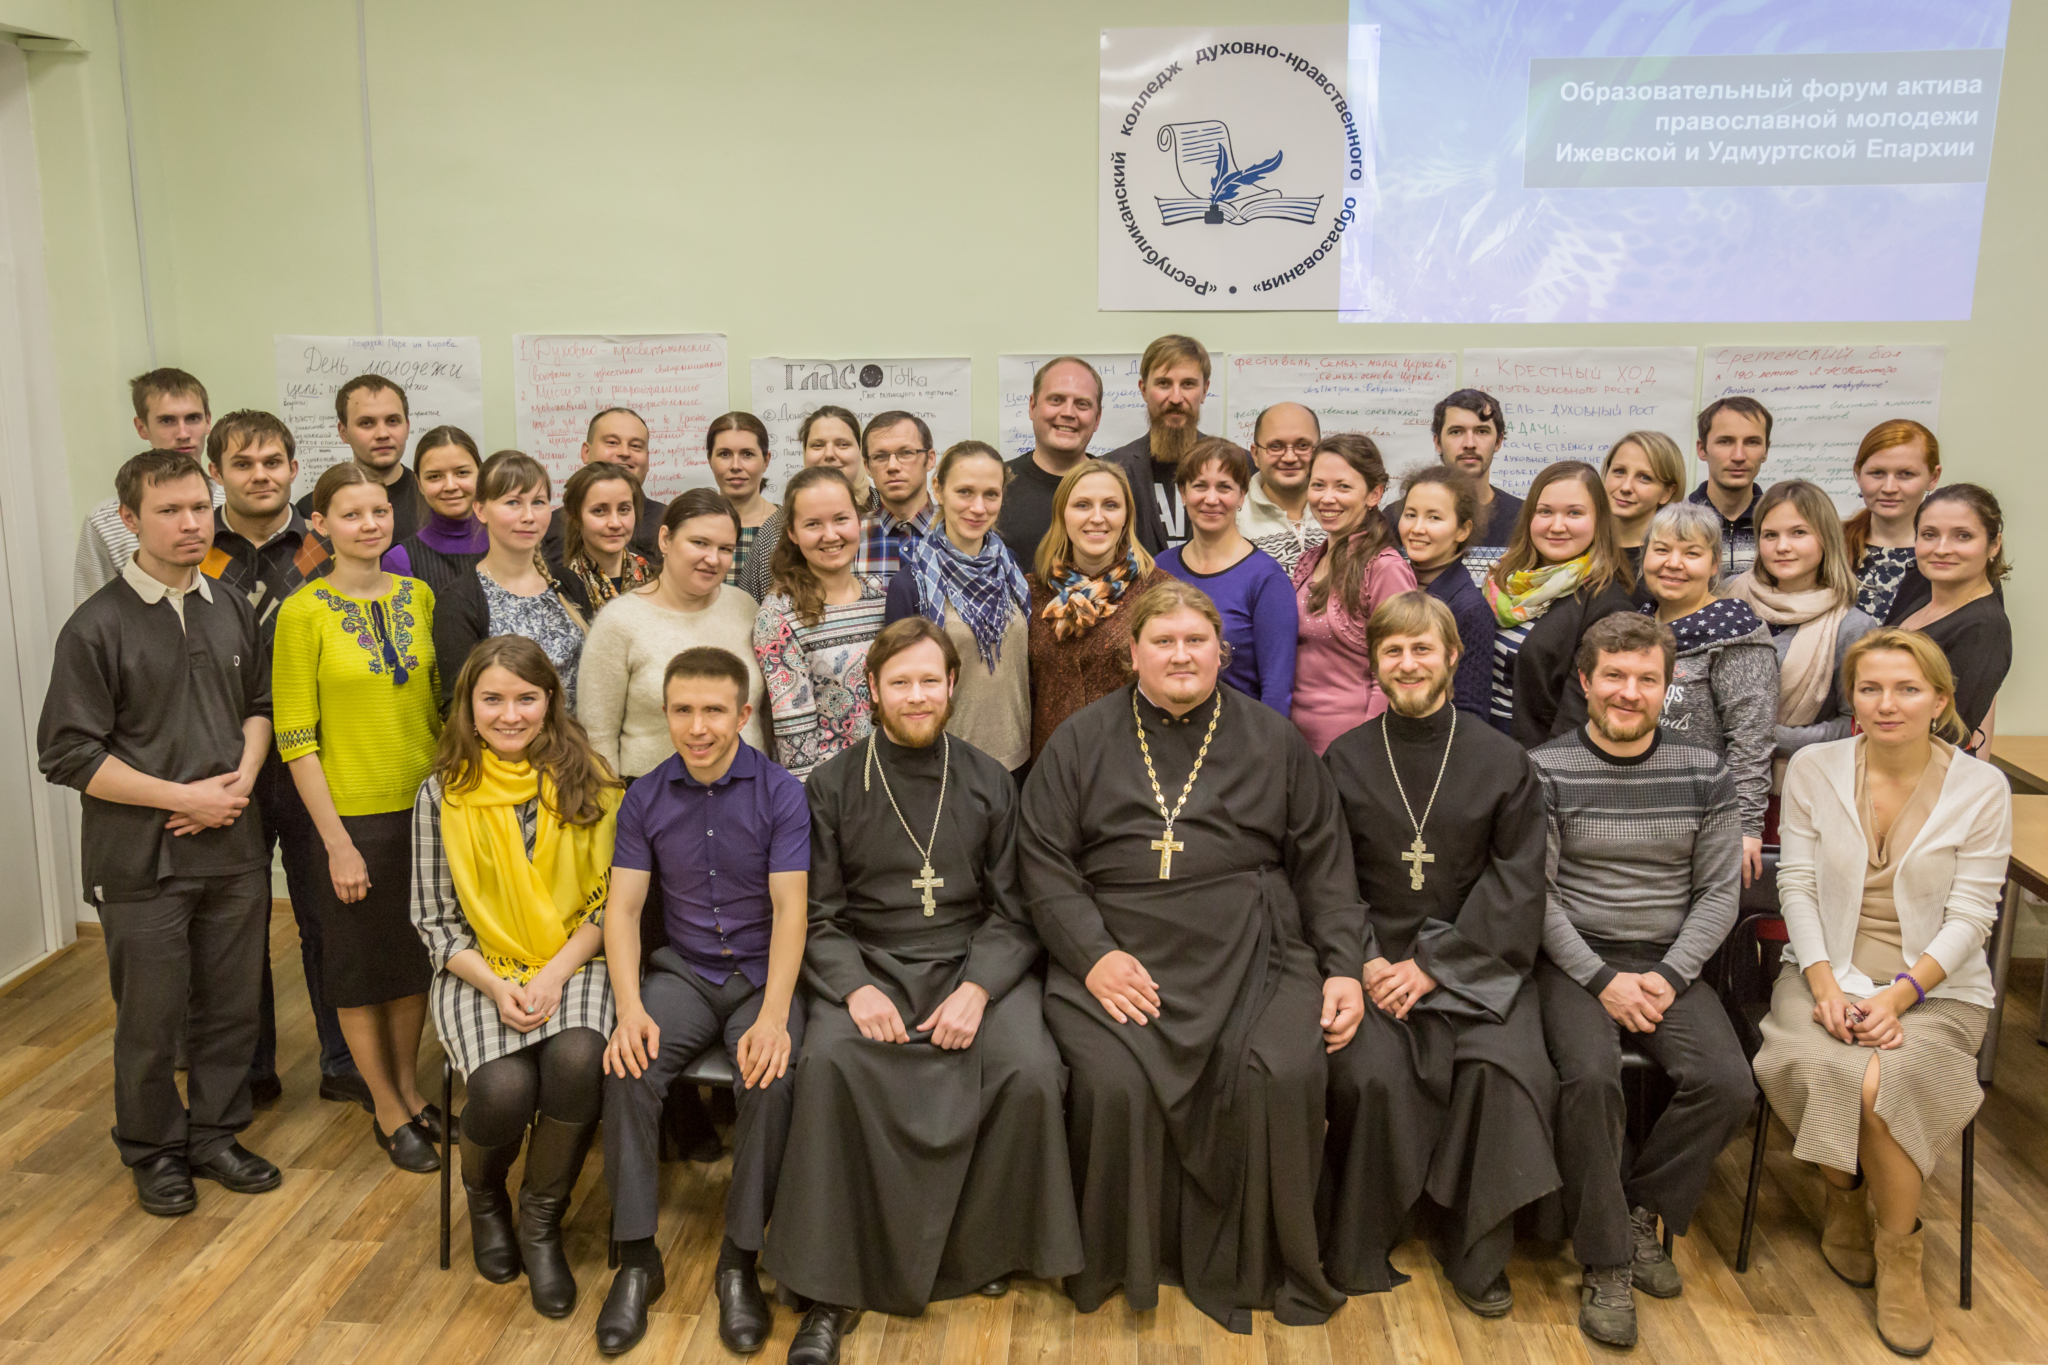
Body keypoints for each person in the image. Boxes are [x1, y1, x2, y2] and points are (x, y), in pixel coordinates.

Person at [1019, 579, 1367, 1333]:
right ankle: (1119, 1258)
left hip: (1253, 945)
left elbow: (1326, 864)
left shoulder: (1273, 738)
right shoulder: (1080, 738)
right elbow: (1043, 862)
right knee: (1114, 1083)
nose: (1181, 654)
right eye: (1164, 641)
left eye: (1196, 641)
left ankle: (1260, 1261)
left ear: (1223, 651)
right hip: (1118, 947)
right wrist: (1093, 957)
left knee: (1284, 1071)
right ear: (1132, 653)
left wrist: (1342, 965)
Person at [763, 620, 1083, 1358]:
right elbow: (818, 913)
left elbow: (1018, 906)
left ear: (951, 687)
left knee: (1029, 1070)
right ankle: (830, 1284)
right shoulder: (834, 783)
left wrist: (978, 988)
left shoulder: (989, 777)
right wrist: (852, 990)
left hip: (973, 961)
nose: (916, 695)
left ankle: (983, 1251)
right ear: (872, 689)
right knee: (832, 1065)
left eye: (930, 681)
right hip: (869, 964)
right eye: (899, 682)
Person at [1754, 629, 2011, 1358]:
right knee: (1836, 1063)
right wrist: (1824, 982)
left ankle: (1900, 1254)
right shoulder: (1814, 767)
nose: (1886, 703)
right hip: (1821, 967)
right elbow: (1796, 885)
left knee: (1878, 1078)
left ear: (1940, 698)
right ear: (1852, 697)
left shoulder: (1980, 787)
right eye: (1869, 688)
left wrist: (1899, 996)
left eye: (1906, 688)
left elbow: (1973, 916)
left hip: (1936, 988)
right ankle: (1843, 1200)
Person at [38, 449, 282, 1216]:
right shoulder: (96, 625)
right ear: (130, 520)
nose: (189, 524)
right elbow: (69, 754)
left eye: (198, 509)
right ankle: (152, 1150)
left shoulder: (230, 602)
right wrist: (183, 797)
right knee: (152, 1018)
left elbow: (259, 703)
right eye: (170, 511)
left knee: (231, 1006)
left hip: (233, 848)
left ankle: (215, 1134)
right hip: (140, 859)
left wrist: (241, 779)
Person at [1319, 592, 1557, 1315]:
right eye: (1393, 650)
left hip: (1477, 959)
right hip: (1375, 962)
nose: (1408, 662)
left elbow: (1516, 882)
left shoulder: (1504, 759)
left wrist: (1434, 965)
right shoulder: (1345, 758)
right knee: (1371, 1072)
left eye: (1423, 648)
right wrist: (1363, 961)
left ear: (1454, 656)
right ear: (1375, 663)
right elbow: (1327, 876)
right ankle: (1370, 1231)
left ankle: (1476, 1242)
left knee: (1506, 1072)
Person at [1530, 613, 1754, 1350]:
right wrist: (1602, 980)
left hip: (1669, 957)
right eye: (1615, 677)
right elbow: (1538, 896)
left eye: (1647, 679)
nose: (1630, 692)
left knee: (1728, 1083)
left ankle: (1639, 1207)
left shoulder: (1705, 771)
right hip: (1577, 960)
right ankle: (1606, 1262)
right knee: (1590, 1077)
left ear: (1668, 685)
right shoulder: (1545, 769)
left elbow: (1719, 894)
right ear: (1588, 683)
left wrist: (1664, 975)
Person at [594, 647, 809, 1357]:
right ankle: (635, 1258)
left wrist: (775, 1016)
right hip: (684, 974)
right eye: (683, 710)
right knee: (627, 1066)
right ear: (667, 712)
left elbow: (790, 911)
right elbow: (621, 913)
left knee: (769, 1075)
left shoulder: (781, 792)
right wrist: (629, 1008)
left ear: (744, 714)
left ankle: (740, 1261)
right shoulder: (646, 795)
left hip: (759, 976)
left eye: (715, 710)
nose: (698, 725)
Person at [410, 637, 622, 1318]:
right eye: (492, 698)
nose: (510, 713)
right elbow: (437, 921)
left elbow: (612, 900)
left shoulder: (592, 776)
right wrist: (500, 987)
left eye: (526, 697)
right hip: (481, 966)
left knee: (580, 1056)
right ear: (468, 709)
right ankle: (485, 1195)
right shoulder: (440, 793)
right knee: (502, 1086)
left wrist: (557, 974)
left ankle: (540, 1217)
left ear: (551, 701)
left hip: (576, 956)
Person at [274, 463, 445, 1171]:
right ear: (321, 525)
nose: (370, 524)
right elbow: (295, 736)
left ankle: (410, 1090)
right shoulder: (304, 611)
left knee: (411, 963)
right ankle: (383, 1104)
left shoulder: (420, 596)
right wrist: (337, 842)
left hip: (424, 814)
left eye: (379, 511)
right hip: (346, 821)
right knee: (356, 967)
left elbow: (436, 706)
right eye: (352, 514)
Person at [198, 411, 365, 1110]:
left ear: (295, 469)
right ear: (218, 473)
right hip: (224, 763)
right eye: (243, 464)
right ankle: (250, 1066)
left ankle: (342, 1059)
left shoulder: (327, 545)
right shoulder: (196, 546)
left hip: (314, 761)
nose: (260, 474)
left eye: (272, 461)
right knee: (237, 925)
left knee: (326, 916)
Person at [578, 489, 766, 779]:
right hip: (652, 807)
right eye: (700, 543)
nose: (713, 559)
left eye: (725, 549)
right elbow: (597, 737)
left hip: (746, 798)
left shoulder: (746, 609)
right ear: (665, 539)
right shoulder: (619, 622)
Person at [1638, 502, 1778, 877]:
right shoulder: (1633, 626)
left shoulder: (1735, 634)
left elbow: (1751, 740)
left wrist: (1747, 828)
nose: (1673, 563)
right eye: (1662, 549)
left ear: (1714, 564)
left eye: (1692, 553)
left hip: (1701, 824)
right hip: (1630, 814)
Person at [884, 441, 1034, 771]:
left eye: (990, 494)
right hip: (946, 765)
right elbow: (895, 690)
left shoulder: (1013, 571)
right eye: (965, 492)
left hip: (1019, 760)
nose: (978, 507)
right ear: (938, 489)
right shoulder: (911, 586)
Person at [1024, 459, 1171, 762]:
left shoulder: (1161, 592)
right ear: (1062, 514)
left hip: (1135, 768)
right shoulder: (1029, 591)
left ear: (1127, 516)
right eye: (1082, 505)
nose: (1097, 517)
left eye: (1110, 505)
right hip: (1050, 767)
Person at [1726, 480, 1879, 768]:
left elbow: (1856, 725)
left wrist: (1767, 738)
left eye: (1799, 533)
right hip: (1712, 774)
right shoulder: (1728, 595)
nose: (1782, 547)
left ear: (1826, 538)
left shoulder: (1853, 627)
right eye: (1770, 535)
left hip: (1796, 782)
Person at [1485, 460, 1638, 746]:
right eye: (1545, 512)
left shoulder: (1608, 608)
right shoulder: (1502, 579)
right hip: (1479, 741)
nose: (1557, 526)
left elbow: (1579, 717)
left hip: (1535, 756)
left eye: (1574, 513)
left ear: (1599, 521)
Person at [755, 466, 890, 780]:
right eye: (813, 524)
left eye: (841, 519)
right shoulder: (779, 616)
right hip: (831, 792)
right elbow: (794, 744)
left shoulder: (882, 597)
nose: (830, 535)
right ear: (792, 532)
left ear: (858, 521)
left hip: (891, 778)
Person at [432, 450, 593, 711]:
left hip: (575, 747)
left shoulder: (567, 582)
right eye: (513, 503)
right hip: (504, 747)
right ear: (481, 510)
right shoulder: (460, 601)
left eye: (539, 502)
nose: (529, 516)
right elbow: (458, 707)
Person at [1290, 434, 1419, 754]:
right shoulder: (1307, 561)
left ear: (1374, 494)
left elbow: (1396, 671)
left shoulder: (1385, 569)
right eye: (1318, 485)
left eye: (1343, 487)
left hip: (1353, 747)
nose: (1327, 498)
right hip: (1295, 742)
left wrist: (1368, 751)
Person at [1157, 437, 1297, 715]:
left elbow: (1277, 691)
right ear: (1183, 494)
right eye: (1199, 486)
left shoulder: (1266, 579)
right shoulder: (1160, 568)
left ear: (1242, 495)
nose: (1211, 499)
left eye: (1224, 487)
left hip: (1239, 742)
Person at [74, 368, 225, 604]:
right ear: (141, 427)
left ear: (208, 421)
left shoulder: (232, 505)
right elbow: (91, 615)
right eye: (167, 421)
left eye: (193, 418)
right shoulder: (104, 522)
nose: (183, 433)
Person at [1884, 484, 2010, 754]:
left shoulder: (1984, 627)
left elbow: (1950, 734)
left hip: (1926, 776)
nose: (1941, 549)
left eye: (1962, 536)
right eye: (1929, 535)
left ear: (1994, 545)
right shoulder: (1920, 594)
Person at [739, 405, 908, 600]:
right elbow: (752, 606)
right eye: (817, 445)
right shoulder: (775, 529)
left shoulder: (891, 519)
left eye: (842, 444)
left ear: (862, 455)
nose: (829, 454)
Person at [1381, 389, 1523, 581]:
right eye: (1456, 432)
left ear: (1498, 441)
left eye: (1482, 431)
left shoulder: (1523, 518)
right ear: (1437, 442)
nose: (1469, 444)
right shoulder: (1398, 518)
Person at [1395, 464, 1495, 720]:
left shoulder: (1469, 609)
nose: (1417, 528)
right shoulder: (1392, 584)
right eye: (1410, 514)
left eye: (1434, 518)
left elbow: (1470, 711)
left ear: (1462, 530)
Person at [1101, 334, 1210, 551]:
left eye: (1188, 384)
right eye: (1163, 384)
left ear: (1205, 390)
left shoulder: (1239, 466)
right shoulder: (1112, 469)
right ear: (1143, 389)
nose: (1176, 398)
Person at [293, 375, 426, 549]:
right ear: (343, 432)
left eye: (392, 421)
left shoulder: (433, 499)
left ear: (407, 428)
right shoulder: (313, 508)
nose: (382, 434)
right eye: (366, 423)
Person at [998, 356, 1104, 563]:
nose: (1068, 413)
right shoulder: (997, 487)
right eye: (1056, 400)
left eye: (1082, 404)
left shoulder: (1118, 491)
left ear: (1097, 418)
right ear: (1032, 406)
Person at [539, 407, 669, 563]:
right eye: (612, 443)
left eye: (635, 446)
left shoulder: (670, 523)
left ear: (647, 459)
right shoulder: (547, 526)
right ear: (586, 452)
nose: (624, 452)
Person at [1845, 420, 1941, 620]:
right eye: (1877, 473)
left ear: (1933, 477)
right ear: (1858, 475)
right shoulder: (1829, 546)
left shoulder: (1948, 555)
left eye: (1906, 474)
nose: (1889, 488)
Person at [382, 426, 489, 595]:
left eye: (462, 472)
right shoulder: (400, 560)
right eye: (434, 477)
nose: (451, 486)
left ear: (480, 476)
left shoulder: (508, 545)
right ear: (420, 484)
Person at [1687, 396, 1772, 579]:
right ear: (1702, 449)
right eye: (1725, 441)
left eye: (1752, 442)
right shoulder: (1675, 523)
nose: (1739, 456)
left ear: (1766, 450)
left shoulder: (1778, 523)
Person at [553, 460, 656, 607]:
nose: (615, 523)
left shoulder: (653, 577)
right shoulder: (565, 588)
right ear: (575, 517)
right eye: (599, 511)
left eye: (624, 509)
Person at [1238, 401, 1325, 572]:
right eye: (1276, 447)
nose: (1290, 457)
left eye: (1302, 446)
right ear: (1255, 454)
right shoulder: (1232, 519)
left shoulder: (1345, 513)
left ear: (1319, 450)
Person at [1600, 430, 1686, 589]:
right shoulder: (1581, 545)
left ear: (1667, 492)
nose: (1626, 487)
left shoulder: (1672, 562)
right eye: (1619, 472)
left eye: (1644, 478)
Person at [707, 411, 778, 587]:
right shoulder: (692, 525)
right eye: (725, 454)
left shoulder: (785, 526)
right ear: (710, 460)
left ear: (766, 461)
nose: (736, 466)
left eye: (747, 454)